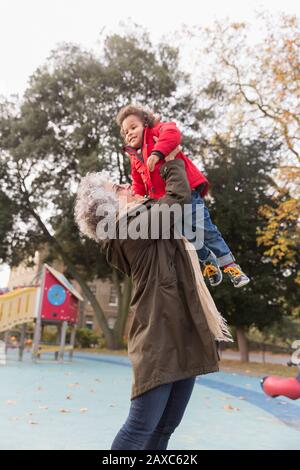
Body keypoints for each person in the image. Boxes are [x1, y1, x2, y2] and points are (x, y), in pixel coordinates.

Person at [75, 146, 232, 450]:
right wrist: (171, 162)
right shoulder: (127, 230)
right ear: (109, 209)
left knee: (164, 429)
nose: (126, 186)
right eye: (117, 188)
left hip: (182, 330)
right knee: (139, 428)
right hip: (158, 335)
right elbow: (176, 202)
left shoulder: (144, 221)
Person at [116, 104, 250, 289]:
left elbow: (173, 133)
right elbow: (138, 182)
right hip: (167, 203)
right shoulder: (133, 157)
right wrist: (138, 201)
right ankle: (208, 261)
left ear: (145, 124)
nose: (129, 133)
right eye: (125, 131)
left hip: (187, 194)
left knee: (206, 230)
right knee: (188, 237)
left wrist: (157, 153)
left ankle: (230, 266)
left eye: (133, 127)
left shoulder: (157, 131)